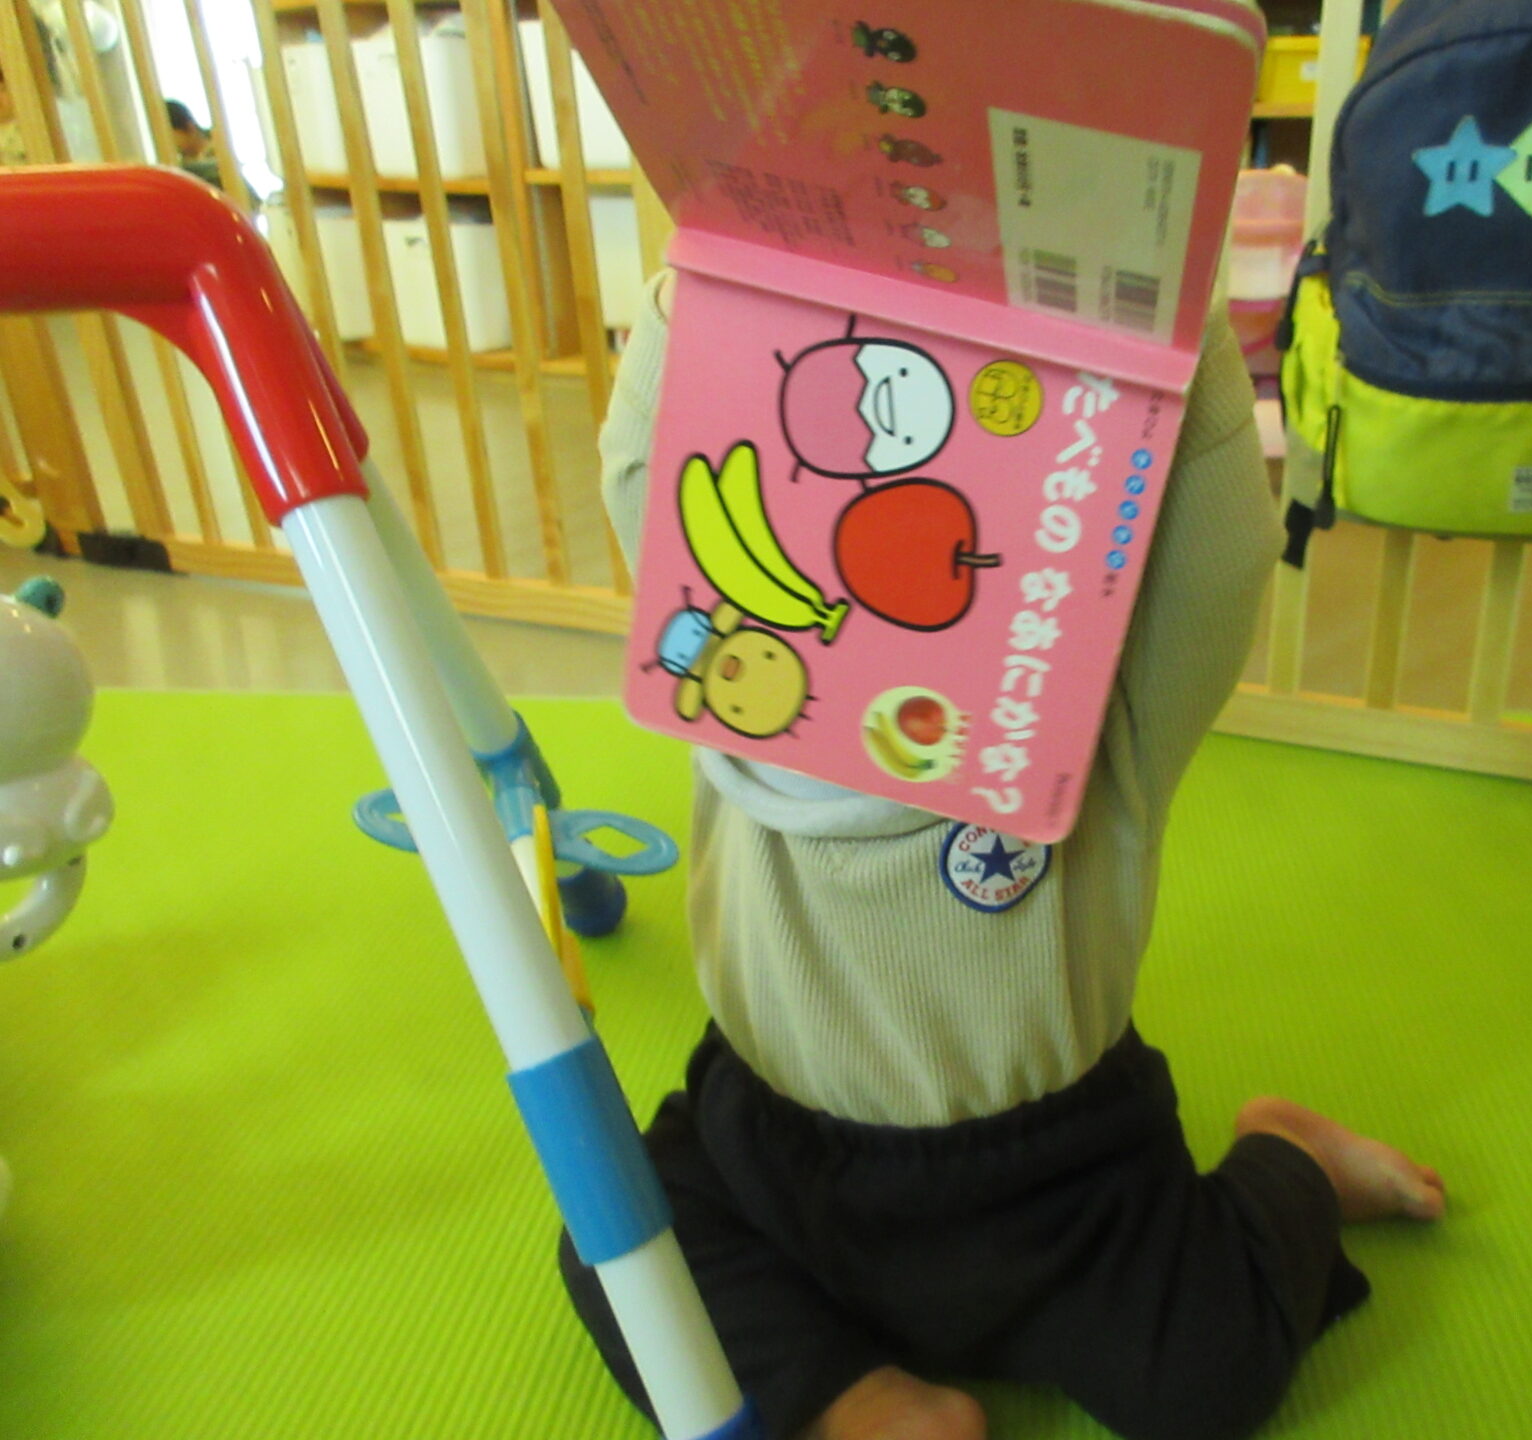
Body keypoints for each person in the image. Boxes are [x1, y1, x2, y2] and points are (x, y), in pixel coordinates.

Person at [563, 270, 1446, 1440]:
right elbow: (646, 469)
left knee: (1205, 1378)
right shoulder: (743, 699)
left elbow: (1221, 559)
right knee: (611, 1243)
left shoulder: (1095, 715)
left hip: (1057, 1191)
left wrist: (1173, 274)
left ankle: (1290, 1160)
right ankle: (860, 1394)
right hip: (766, 1152)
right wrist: (712, 252)